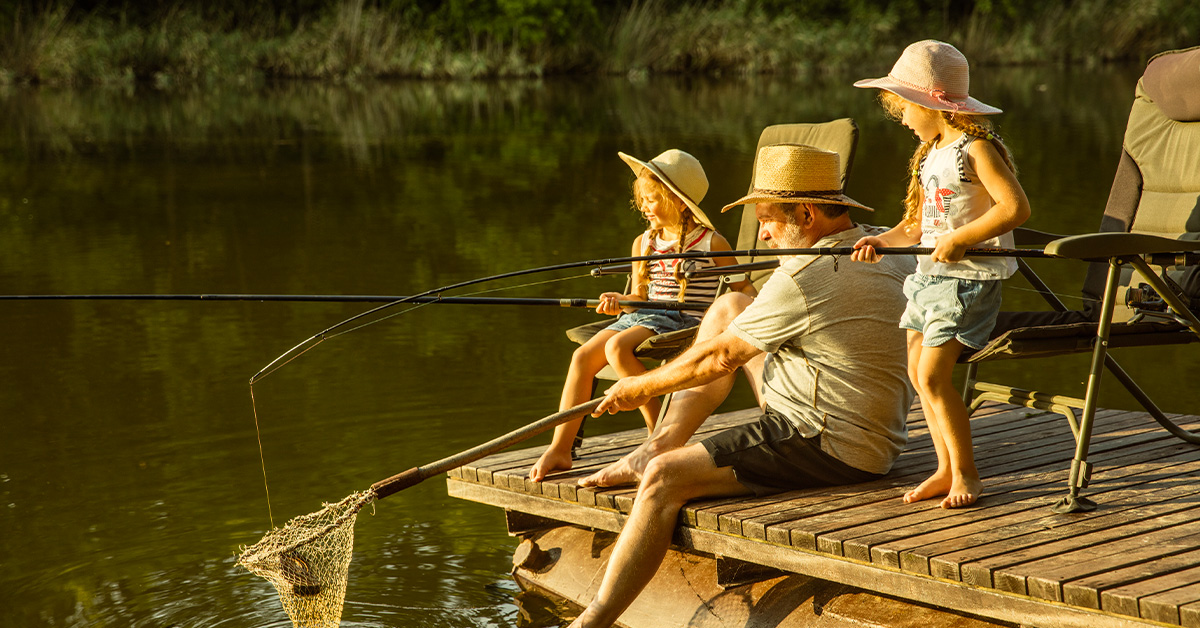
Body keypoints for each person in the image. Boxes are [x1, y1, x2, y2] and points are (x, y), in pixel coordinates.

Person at [563, 144, 915, 628]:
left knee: (664, 478)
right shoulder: (882, 247)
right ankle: (659, 441)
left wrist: (640, 387)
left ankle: (593, 619)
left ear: (807, 214)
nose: (764, 234)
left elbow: (720, 357)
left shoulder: (806, 278)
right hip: (867, 426)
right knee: (730, 306)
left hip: (825, 440)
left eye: (768, 219)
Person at [850, 39, 1031, 509]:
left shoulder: (977, 149)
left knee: (932, 377)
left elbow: (1016, 208)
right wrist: (881, 241)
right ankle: (944, 467)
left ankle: (968, 472)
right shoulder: (931, 153)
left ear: (928, 103)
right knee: (916, 372)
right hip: (927, 278)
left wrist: (964, 237)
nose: (902, 119)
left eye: (903, 109)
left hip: (969, 279)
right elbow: (917, 223)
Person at [528, 149, 752, 483]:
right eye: (642, 200)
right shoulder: (643, 242)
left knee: (617, 348)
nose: (644, 206)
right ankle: (560, 448)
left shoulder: (711, 242)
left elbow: (743, 287)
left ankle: (656, 437)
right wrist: (620, 301)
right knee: (581, 356)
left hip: (684, 320)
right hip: (643, 317)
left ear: (678, 201)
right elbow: (639, 296)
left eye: (651, 199)